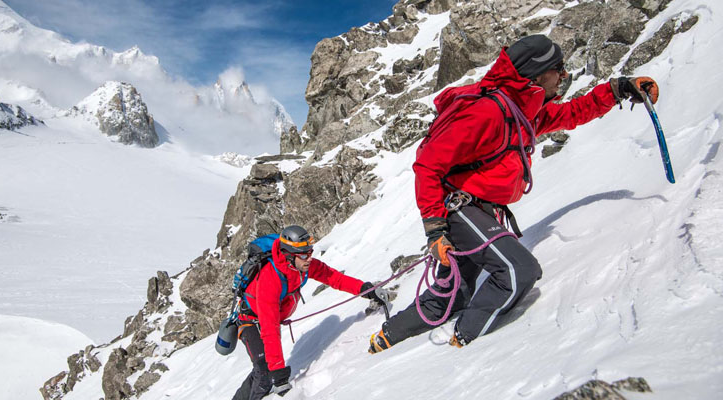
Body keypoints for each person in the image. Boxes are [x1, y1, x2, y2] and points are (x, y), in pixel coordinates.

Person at [368, 34, 659, 353]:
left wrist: (617, 89)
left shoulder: (522, 111)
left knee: (452, 295)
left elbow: (572, 113)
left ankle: (386, 338)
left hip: (478, 210)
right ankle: (461, 347)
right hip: (460, 210)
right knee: (517, 270)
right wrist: (435, 230)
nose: (563, 75)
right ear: (537, 74)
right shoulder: (487, 112)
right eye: (558, 68)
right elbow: (428, 165)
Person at [233, 225, 386, 399]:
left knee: (262, 370)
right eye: (304, 254)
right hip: (251, 320)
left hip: (269, 317)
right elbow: (270, 330)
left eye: (310, 252)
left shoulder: (302, 265)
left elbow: (333, 277)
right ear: (289, 255)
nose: (309, 258)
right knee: (264, 373)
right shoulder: (270, 279)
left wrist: (365, 289)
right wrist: (278, 370)